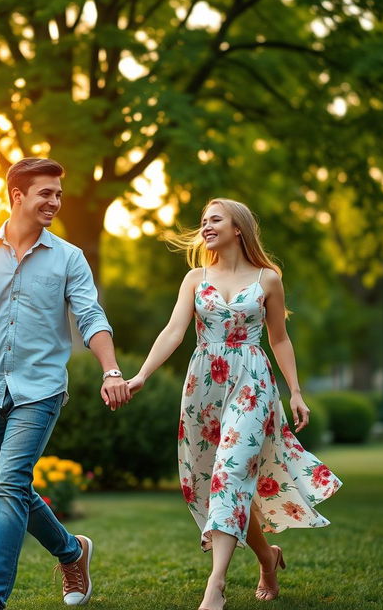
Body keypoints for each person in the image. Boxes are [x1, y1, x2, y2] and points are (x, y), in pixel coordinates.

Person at [0, 157, 130, 610]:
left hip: (40, 390)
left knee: (7, 487)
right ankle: (71, 551)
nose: (55, 202)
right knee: (14, 489)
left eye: (58, 195)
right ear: (18, 195)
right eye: (46, 193)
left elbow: (90, 316)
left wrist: (111, 369)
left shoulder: (69, 258)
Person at [127, 198, 341, 610]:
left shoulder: (268, 279)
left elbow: (279, 338)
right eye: (203, 221)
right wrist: (141, 375)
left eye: (215, 220)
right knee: (216, 484)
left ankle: (216, 586)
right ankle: (267, 560)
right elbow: (174, 330)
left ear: (238, 227)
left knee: (230, 472)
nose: (206, 226)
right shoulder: (195, 277)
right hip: (204, 386)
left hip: (252, 383)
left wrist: (294, 390)